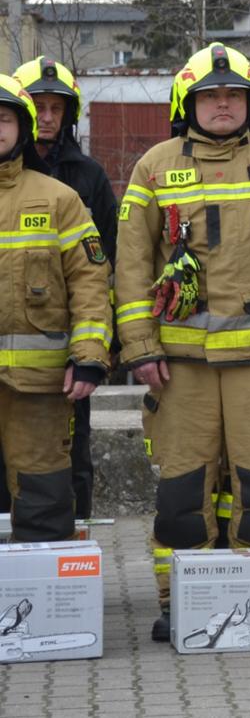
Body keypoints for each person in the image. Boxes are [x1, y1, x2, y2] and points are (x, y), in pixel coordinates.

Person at [118, 43, 250, 641]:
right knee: (182, 491)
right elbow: (130, 264)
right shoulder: (154, 166)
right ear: (189, 102)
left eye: (234, 95)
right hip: (180, 368)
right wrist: (140, 348)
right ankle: (179, 600)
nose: (223, 105)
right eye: (211, 95)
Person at [0, 73, 109, 545]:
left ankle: (43, 614)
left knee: (44, 504)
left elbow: (90, 281)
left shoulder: (60, 200)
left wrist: (89, 354)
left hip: (39, 390)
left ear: (21, 130)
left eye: (3, 120)